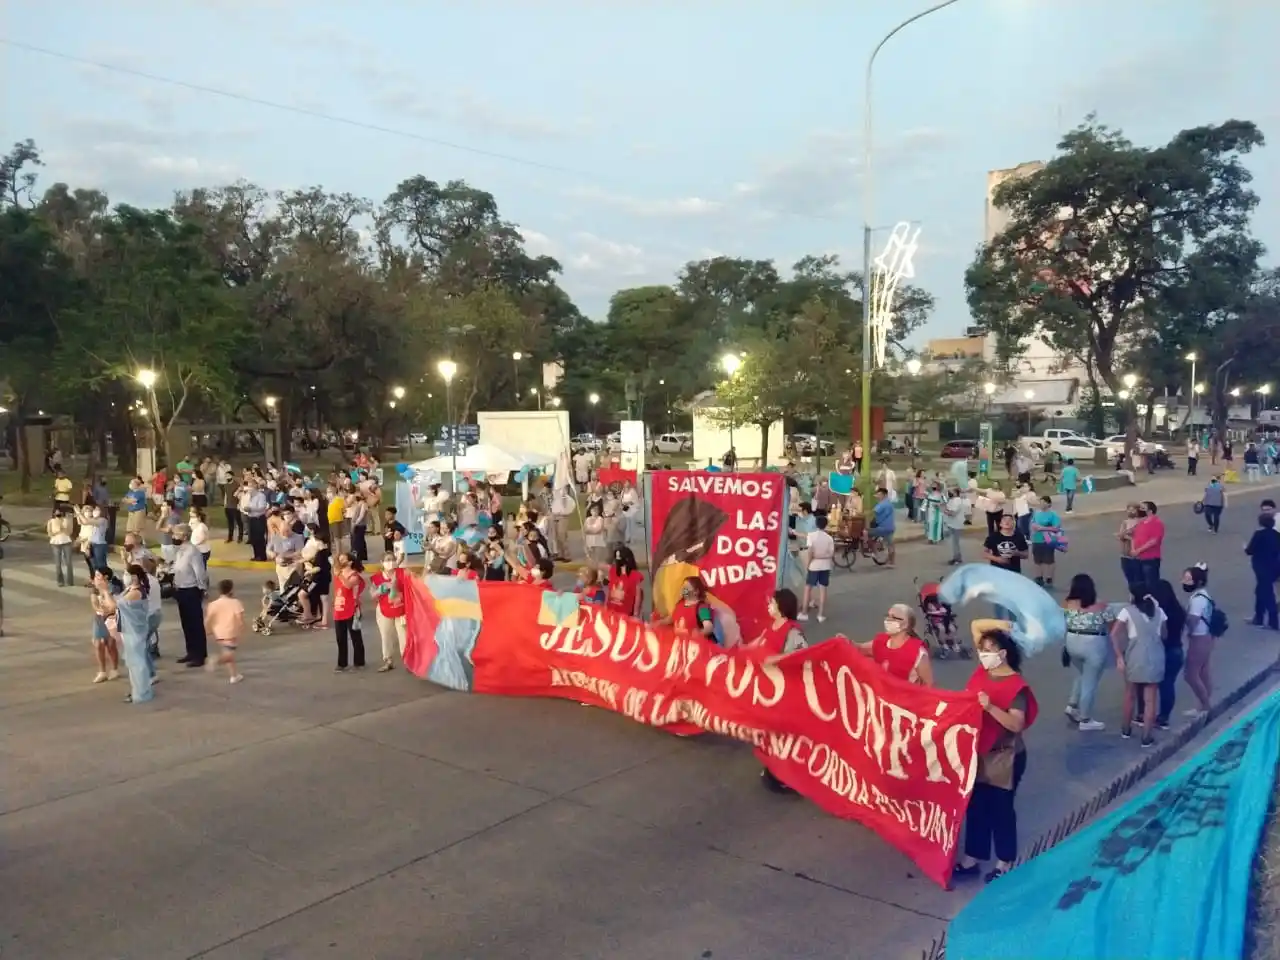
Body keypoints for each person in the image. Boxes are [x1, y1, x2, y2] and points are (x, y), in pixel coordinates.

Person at [953, 619, 1038, 884]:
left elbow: (1016, 723)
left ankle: (1005, 860)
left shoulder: (1015, 686)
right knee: (976, 806)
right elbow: (977, 624)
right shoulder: (982, 672)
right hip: (978, 751)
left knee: (1001, 809)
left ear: (1003, 653)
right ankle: (973, 858)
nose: (984, 653)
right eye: (982, 648)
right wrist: (1003, 624)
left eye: (990, 648)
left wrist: (990, 708)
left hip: (1005, 756)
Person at [1111, 585, 1167, 747]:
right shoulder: (1159, 612)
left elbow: (1114, 634)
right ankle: (1146, 737)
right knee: (1150, 700)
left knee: (1130, 694)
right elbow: (1164, 634)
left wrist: (1119, 656)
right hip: (1156, 657)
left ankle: (1126, 729)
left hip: (1135, 656)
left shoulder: (1127, 611)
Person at [1062, 574, 1114, 732]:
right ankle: (1085, 719)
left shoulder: (1067, 604)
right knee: (1090, 682)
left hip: (1072, 642)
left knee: (1082, 674)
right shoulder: (1101, 606)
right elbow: (1112, 626)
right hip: (1093, 645)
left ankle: (1072, 705)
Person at [851, 603, 933, 685]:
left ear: (906, 624)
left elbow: (928, 685)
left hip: (904, 696)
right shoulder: (880, 642)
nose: (888, 620)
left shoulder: (918, 652)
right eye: (888, 616)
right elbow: (859, 649)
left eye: (894, 617)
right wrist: (845, 642)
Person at [1145, 580, 1186, 730]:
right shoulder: (1179, 611)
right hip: (1177, 650)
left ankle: (1149, 715)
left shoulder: (1159, 614)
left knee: (1153, 686)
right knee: (1168, 685)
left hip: (1163, 651)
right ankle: (1164, 717)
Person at [170, 524, 210, 668]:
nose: (173, 537)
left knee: (195, 624)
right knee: (186, 623)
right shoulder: (180, 550)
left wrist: (202, 589)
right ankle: (191, 652)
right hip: (180, 589)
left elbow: (200, 572)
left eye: (176, 534)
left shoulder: (193, 552)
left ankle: (200, 655)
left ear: (185, 536)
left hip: (191, 589)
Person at [1181, 563, 1216, 718]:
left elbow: (1192, 621)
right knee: (1203, 672)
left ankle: (1205, 706)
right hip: (1207, 636)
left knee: (1190, 674)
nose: (1184, 582)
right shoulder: (1204, 595)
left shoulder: (1197, 600)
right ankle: (1203, 704)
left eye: (1188, 580)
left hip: (1199, 638)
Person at [983, 514, 1029, 619]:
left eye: (1010, 520)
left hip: (1014, 572)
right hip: (997, 573)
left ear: (1014, 523)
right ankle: (1000, 624)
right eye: (1005, 520)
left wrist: (1017, 553)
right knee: (999, 600)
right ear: (1000, 524)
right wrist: (998, 559)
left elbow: (1026, 554)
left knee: (1013, 599)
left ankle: (1013, 624)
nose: (1007, 522)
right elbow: (984, 553)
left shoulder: (1019, 536)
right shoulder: (993, 537)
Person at [202, 579, 245, 684]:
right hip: (231, 632)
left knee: (228, 652)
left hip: (219, 633)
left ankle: (234, 676)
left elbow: (207, 619)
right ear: (231, 590)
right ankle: (216, 660)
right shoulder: (236, 603)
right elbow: (240, 619)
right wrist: (242, 629)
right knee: (228, 655)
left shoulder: (213, 604)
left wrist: (207, 630)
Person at [370, 554, 408, 671]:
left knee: (404, 636)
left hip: (401, 609)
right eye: (387, 560)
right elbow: (372, 594)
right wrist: (381, 589)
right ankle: (388, 660)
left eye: (392, 559)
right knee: (386, 636)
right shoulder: (376, 577)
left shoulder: (403, 574)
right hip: (384, 610)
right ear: (382, 562)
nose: (390, 562)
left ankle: (408, 661)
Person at [331, 553, 367, 672]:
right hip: (339, 608)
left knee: (355, 637)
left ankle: (359, 662)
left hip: (351, 608)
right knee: (340, 638)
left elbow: (347, 586)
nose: (341, 561)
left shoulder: (354, 575)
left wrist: (340, 575)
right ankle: (342, 663)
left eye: (343, 559)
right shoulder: (337, 572)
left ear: (350, 562)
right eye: (340, 559)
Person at [746, 588, 807, 656]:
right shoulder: (772, 624)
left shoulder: (793, 631)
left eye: (772, 602)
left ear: (782, 606)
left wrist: (769, 660)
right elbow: (759, 642)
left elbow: (799, 655)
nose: (768, 605)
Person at [1246, 512, 1280, 630]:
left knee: (1267, 593)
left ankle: (1273, 621)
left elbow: (1250, 550)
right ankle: (1258, 617)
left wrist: (1245, 548)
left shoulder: (1259, 534)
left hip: (1261, 567)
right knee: (1260, 591)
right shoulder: (1277, 535)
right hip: (1274, 567)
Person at [89, 567, 123, 683]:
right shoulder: (95, 589)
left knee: (110, 644)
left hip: (111, 619)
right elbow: (94, 602)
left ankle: (114, 669)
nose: (95, 578)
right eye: (95, 575)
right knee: (98, 644)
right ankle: (102, 671)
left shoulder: (114, 588)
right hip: (99, 618)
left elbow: (114, 606)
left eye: (98, 575)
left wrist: (107, 610)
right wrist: (99, 609)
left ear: (106, 577)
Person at [659, 575, 716, 641]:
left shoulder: (702, 607)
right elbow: (669, 619)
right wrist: (656, 623)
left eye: (686, 587)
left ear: (696, 592)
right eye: (682, 587)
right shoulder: (679, 605)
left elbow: (709, 627)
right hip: (678, 644)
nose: (683, 590)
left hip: (694, 646)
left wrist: (699, 633)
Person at [801, 515, 835, 623]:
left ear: (816, 524)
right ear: (826, 525)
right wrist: (822, 556)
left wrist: (808, 563)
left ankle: (804, 613)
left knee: (808, 588)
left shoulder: (811, 536)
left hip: (814, 566)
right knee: (823, 590)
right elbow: (831, 554)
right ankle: (820, 615)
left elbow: (810, 552)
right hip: (825, 566)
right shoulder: (829, 538)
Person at [1129, 501, 1165, 589]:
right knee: (1140, 584)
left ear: (1150, 511)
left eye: (1142, 508)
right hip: (1138, 558)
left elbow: (1153, 541)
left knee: (1151, 584)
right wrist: (1133, 549)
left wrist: (1138, 550)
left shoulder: (1157, 523)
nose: (1140, 510)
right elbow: (1134, 536)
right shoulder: (1141, 523)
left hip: (1150, 559)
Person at [1029, 495, 1061, 588]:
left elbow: (1056, 528)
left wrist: (1042, 528)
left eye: (1044, 502)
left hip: (1048, 540)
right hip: (1037, 539)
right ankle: (1039, 577)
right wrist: (1034, 527)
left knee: (1049, 560)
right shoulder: (1036, 513)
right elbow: (1033, 523)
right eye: (1040, 502)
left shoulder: (1053, 515)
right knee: (1037, 560)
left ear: (1049, 504)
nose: (1041, 504)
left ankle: (1049, 577)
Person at [606, 546, 645, 618]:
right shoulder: (613, 571)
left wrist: (635, 614)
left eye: (618, 558)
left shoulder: (635, 575)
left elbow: (638, 596)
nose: (616, 561)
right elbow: (609, 590)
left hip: (625, 614)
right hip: (611, 612)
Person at [868, 486, 896, 568]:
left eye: (879, 494)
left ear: (884, 495)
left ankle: (875, 552)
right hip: (890, 527)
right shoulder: (888, 503)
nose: (878, 496)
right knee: (891, 545)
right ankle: (892, 563)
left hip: (883, 528)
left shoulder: (883, 504)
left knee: (866, 533)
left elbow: (872, 512)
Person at [47, 506, 75, 587]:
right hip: (55, 543)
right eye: (56, 512)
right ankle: (60, 581)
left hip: (66, 542)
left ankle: (70, 581)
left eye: (59, 512)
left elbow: (70, 532)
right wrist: (57, 531)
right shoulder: (51, 521)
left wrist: (63, 528)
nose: (58, 514)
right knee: (58, 563)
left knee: (69, 562)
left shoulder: (67, 520)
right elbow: (50, 533)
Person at [943, 486, 967, 565]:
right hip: (952, 523)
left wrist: (943, 510)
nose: (949, 493)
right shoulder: (952, 500)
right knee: (953, 542)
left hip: (956, 524)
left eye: (951, 491)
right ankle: (957, 557)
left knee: (955, 542)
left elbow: (952, 513)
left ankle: (957, 558)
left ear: (955, 493)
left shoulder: (957, 501)